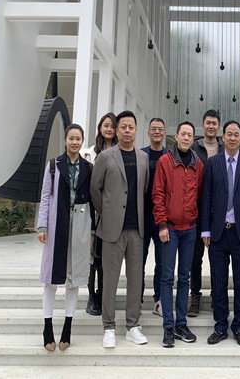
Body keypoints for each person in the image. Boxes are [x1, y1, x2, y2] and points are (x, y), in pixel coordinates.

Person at [90, 110, 149, 348]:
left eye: (130, 127)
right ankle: (109, 327)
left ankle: (133, 326)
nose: (127, 131)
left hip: (136, 230)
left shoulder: (143, 158)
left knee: (135, 280)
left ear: (135, 130)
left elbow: (144, 189)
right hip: (112, 229)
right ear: (116, 130)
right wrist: (107, 211)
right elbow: (95, 189)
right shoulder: (106, 157)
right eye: (122, 127)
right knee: (110, 281)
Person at [201, 120, 240, 346]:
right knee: (218, 282)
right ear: (223, 137)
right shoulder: (213, 163)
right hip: (217, 233)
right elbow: (206, 197)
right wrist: (205, 229)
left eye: (236, 134)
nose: (233, 138)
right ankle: (220, 326)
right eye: (229, 134)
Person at [37, 123, 95, 352]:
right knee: (51, 278)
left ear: (82, 141)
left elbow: (92, 201)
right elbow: (46, 196)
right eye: (71, 138)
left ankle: (67, 327)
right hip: (56, 224)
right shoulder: (54, 165)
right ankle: (47, 327)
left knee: (74, 278)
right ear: (65, 140)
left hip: (80, 225)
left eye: (78, 138)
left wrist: (92, 231)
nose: (74, 142)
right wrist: (42, 225)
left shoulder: (88, 167)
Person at [153, 121, 204, 348]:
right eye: (183, 133)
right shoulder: (165, 162)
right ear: (176, 136)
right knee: (167, 277)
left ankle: (181, 324)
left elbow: (199, 194)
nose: (186, 137)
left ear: (193, 139)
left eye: (190, 135)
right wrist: (162, 224)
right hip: (170, 229)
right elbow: (157, 194)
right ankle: (167, 326)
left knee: (184, 277)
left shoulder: (198, 164)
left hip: (189, 228)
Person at [188, 109, 224, 316]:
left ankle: (216, 295)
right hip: (197, 209)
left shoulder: (224, 148)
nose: (211, 126)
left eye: (214, 123)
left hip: (219, 210)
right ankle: (195, 295)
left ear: (218, 127)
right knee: (196, 256)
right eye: (208, 123)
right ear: (203, 125)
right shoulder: (194, 147)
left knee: (217, 256)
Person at [81, 112, 117, 316]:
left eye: (112, 126)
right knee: (92, 256)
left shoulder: (121, 152)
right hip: (93, 212)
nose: (109, 129)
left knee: (105, 258)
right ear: (100, 128)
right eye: (106, 125)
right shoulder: (90, 153)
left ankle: (102, 294)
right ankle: (91, 297)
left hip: (112, 213)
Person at [141, 118, 167, 317]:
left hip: (162, 218)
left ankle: (159, 300)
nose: (157, 132)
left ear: (164, 133)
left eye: (160, 129)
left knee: (162, 261)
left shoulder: (170, 156)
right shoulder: (140, 155)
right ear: (148, 133)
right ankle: (137, 300)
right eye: (153, 129)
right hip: (142, 216)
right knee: (138, 261)